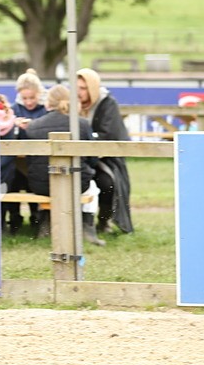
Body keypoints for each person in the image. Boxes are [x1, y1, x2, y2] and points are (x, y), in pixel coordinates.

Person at [21, 84, 105, 245]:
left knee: (47, 180)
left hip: (40, 185)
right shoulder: (81, 124)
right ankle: (87, 227)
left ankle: (45, 224)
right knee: (93, 186)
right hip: (76, 182)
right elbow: (92, 158)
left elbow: (30, 161)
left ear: (47, 104)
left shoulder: (32, 126)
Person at [78, 67, 134, 234]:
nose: (79, 93)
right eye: (77, 88)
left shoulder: (107, 104)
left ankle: (104, 221)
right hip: (79, 159)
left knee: (108, 184)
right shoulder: (71, 103)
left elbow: (110, 134)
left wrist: (89, 140)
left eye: (83, 88)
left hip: (105, 159)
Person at [5, 68, 48, 234]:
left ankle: (36, 216)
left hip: (37, 159)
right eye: (25, 98)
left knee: (33, 183)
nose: (29, 102)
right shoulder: (13, 110)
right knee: (13, 182)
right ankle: (14, 217)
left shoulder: (46, 109)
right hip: (17, 159)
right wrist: (13, 124)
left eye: (32, 97)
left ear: (39, 94)